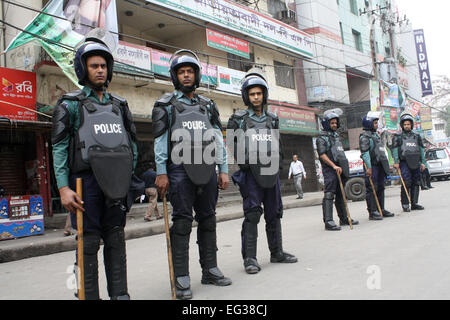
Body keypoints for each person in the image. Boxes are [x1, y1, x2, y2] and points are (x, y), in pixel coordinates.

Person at [51, 38, 138, 300]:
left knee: (115, 239)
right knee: (87, 243)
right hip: (85, 183)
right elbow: (59, 147)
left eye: (103, 66)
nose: (100, 70)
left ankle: (120, 295)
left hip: (116, 183)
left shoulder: (119, 105)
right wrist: (64, 188)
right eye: (93, 66)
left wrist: (126, 179)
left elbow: (131, 144)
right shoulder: (70, 104)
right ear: (82, 69)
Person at [152, 50, 231, 300]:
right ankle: (182, 277)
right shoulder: (165, 105)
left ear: (196, 75)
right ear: (175, 76)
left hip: (207, 167)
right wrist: (162, 172)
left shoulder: (208, 105)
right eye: (181, 72)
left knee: (208, 219)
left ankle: (210, 269)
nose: (186, 75)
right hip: (178, 170)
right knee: (183, 221)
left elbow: (218, 138)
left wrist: (224, 169)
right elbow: (160, 142)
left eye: (190, 71)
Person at [227, 72, 297, 275]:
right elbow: (232, 145)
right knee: (252, 215)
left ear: (264, 95)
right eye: (252, 94)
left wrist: (279, 168)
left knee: (274, 213)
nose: (256, 97)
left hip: (271, 172)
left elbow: (278, 145)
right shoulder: (238, 119)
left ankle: (277, 252)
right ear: (246, 96)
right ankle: (250, 259)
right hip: (251, 175)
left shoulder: (273, 119)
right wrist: (246, 163)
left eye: (259, 93)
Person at [315, 109, 359, 231]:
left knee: (341, 194)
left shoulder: (337, 137)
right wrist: (333, 166)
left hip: (341, 169)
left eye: (335, 123)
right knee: (329, 194)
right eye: (332, 123)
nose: (334, 125)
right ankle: (328, 221)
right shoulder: (322, 138)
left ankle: (344, 218)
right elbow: (322, 155)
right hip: (330, 170)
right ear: (326, 123)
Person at [359, 112, 395, 221]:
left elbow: (381, 151)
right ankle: (373, 211)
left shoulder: (376, 136)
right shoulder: (365, 137)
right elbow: (365, 153)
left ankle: (381, 209)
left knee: (381, 187)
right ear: (369, 124)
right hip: (372, 166)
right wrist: (369, 168)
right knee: (372, 188)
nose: (376, 125)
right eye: (375, 123)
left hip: (379, 166)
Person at [392, 113, 426, 212]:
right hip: (404, 162)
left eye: (408, 124)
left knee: (416, 182)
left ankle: (414, 203)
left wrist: (423, 162)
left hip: (416, 162)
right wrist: (396, 161)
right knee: (406, 182)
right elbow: (394, 149)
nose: (407, 126)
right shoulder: (397, 136)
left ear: (411, 124)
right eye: (405, 124)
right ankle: (405, 204)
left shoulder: (416, 136)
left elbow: (421, 149)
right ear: (402, 125)